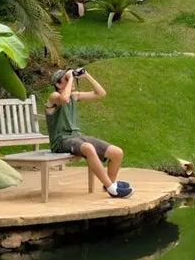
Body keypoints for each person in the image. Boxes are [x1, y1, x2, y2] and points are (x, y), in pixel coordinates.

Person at [46, 68, 131, 198]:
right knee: (88, 148)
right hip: (61, 141)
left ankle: (111, 183)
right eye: (67, 79)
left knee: (117, 153)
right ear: (58, 84)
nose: (71, 81)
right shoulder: (54, 97)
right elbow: (63, 99)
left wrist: (86, 76)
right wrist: (71, 78)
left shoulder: (74, 97)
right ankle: (112, 189)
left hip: (77, 137)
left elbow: (101, 93)